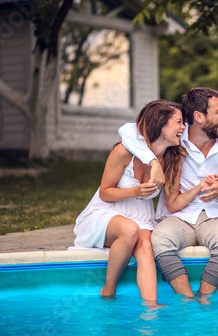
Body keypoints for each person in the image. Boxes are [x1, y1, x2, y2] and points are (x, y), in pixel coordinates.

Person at [118, 87, 218, 299]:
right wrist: (153, 163)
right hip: (177, 217)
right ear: (199, 117)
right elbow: (127, 131)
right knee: (159, 241)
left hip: (216, 215)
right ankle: (186, 301)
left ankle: (204, 299)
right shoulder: (175, 135)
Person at [73, 100, 187, 303]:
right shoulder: (124, 151)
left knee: (145, 245)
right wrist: (136, 190)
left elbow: (172, 200)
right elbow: (105, 193)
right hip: (105, 212)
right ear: (161, 124)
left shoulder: (172, 159)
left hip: (140, 216)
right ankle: (108, 290)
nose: (183, 127)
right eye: (178, 122)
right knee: (130, 230)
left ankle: (151, 307)